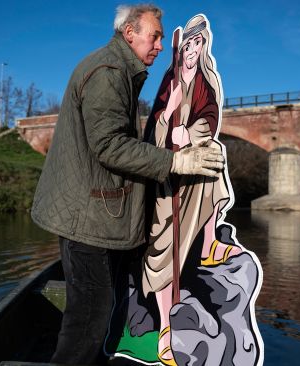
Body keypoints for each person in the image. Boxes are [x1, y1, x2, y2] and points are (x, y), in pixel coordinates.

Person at [30, 5, 225, 365]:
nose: (161, 44)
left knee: (94, 309)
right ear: (129, 33)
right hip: (87, 220)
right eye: (155, 35)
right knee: (88, 317)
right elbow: (109, 145)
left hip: (96, 213)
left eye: (163, 37)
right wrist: (175, 161)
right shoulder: (109, 72)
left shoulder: (120, 70)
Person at [141, 14, 242, 365]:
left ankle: (211, 241)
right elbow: (151, 135)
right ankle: (165, 331)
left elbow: (210, 116)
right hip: (166, 174)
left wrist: (194, 134)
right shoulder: (169, 81)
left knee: (213, 154)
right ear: (181, 47)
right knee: (163, 249)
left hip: (194, 166)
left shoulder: (205, 80)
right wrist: (169, 119)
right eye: (189, 44)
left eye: (199, 44)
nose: (194, 51)